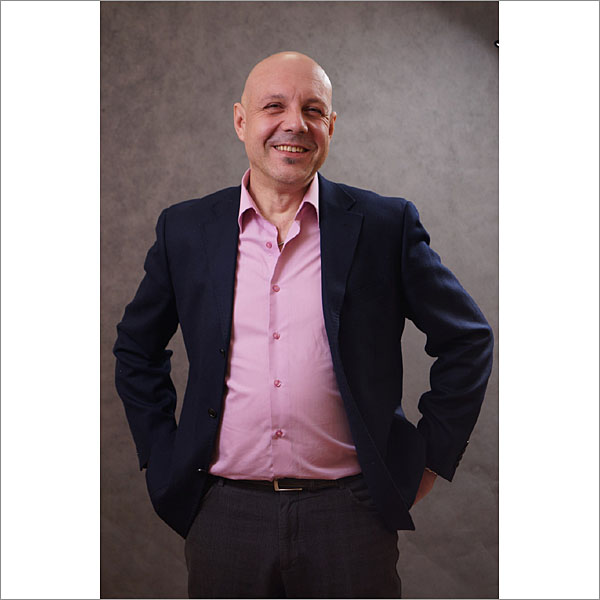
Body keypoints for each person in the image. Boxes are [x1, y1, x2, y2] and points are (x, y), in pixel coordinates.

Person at [113, 51, 494, 598]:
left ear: (330, 126)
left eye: (313, 110)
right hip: (222, 514)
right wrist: (162, 457)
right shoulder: (185, 229)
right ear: (241, 120)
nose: (295, 123)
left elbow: (467, 339)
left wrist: (427, 459)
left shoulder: (385, 226)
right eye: (274, 106)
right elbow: (137, 348)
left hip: (350, 518)